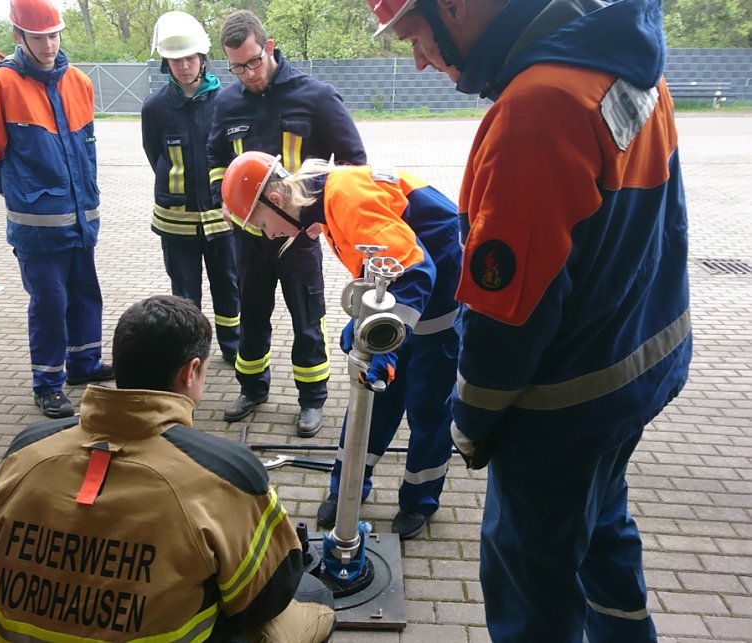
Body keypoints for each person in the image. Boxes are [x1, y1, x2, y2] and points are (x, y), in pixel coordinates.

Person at [366, 0, 692, 639]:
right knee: (601, 526)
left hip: (561, 411)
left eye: (418, 37)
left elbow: (508, 319)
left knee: (528, 579)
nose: (421, 61)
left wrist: (473, 421)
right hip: (635, 376)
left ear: (455, 7)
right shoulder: (624, 60)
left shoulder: (536, 110)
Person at [0, 295, 337, 642]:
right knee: (313, 597)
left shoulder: (26, 449)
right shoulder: (225, 473)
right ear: (191, 371)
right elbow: (266, 595)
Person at [221, 152, 461, 540]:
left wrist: (383, 345)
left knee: (428, 406)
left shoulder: (344, 197)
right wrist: (364, 321)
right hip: (411, 293)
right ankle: (347, 488)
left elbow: (415, 270)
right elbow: (379, 268)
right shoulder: (327, 203)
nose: (268, 234)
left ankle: (419, 501)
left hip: (439, 301)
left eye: (261, 222)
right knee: (370, 398)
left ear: (277, 200)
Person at [208, 10, 367, 437]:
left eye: (253, 62)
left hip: (299, 237)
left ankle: (311, 400)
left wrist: (325, 220)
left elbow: (354, 165)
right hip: (248, 238)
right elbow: (214, 161)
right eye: (237, 66)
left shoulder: (314, 96)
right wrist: (223, 200)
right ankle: (252, 389)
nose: (247, 74)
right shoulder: (227, 102)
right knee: (252, 315)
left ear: (269, 47)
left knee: (307, 319)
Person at [0, 0, 112, 419]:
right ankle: (48, 383)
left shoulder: (80, 82)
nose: (49, 44)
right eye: (39, 37)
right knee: (50, 304)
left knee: (86, 296)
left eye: (54, 35)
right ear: (19, 36)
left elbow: (86, 150)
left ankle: (83, 365)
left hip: (82, 220)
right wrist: (24, 194)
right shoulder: (1, 85)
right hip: (37, 229)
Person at [142, 11, 240, 364]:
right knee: (184, 293)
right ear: (165, 63)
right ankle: (191, 352)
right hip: (175, 220)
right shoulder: (154, 108)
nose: (183, 66)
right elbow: (154, 156)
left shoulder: (228, 102)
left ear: (202, 58)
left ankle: (233, 346)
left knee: (228, 286)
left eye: (189, 58)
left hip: (221, 218)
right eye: (175, 59)